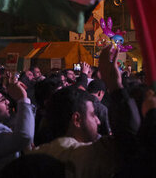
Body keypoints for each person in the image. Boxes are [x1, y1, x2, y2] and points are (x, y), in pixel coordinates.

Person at [32, 45, 141, 177]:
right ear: (77, 119)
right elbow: (130, 142)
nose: (98, 121)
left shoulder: (35, 155)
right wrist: (115, 87)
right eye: (93, 114)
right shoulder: (89, 155)